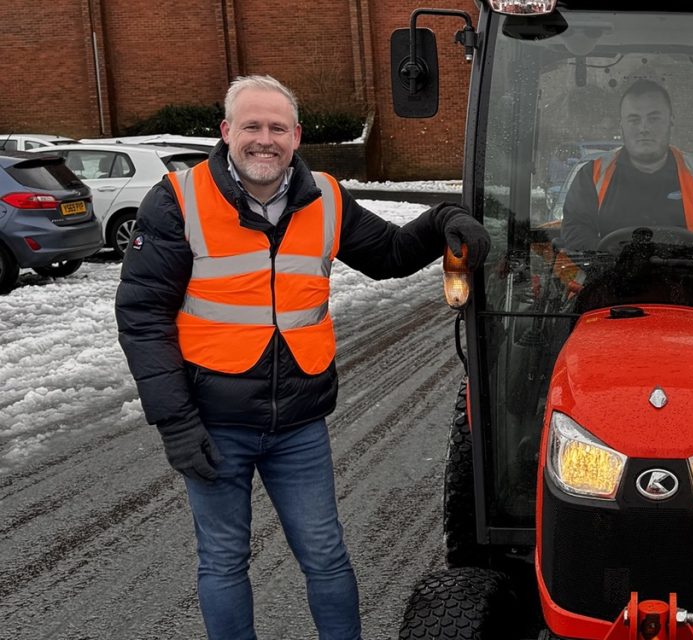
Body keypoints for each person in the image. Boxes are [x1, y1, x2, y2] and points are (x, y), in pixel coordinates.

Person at [115, 75, 489, 640]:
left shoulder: (325, 197)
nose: (264, 139)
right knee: (223, 561)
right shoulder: (178, 200)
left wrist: (440, 222)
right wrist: (175, 423)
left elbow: (387, 254)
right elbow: (142, 316)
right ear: (226, 132)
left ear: (296, 136)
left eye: (277, 128)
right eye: (252, 126)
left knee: (326, 555)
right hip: (213, 423)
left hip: (298, 425)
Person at [558, 79, 693, 251]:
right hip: (612, 281)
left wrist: (687, 258)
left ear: (671, 120)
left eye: (653, 118)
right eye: (634, 119)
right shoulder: (592, 176)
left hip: (687, 280)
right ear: (621, 124)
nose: (644, 128)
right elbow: (576, 233)